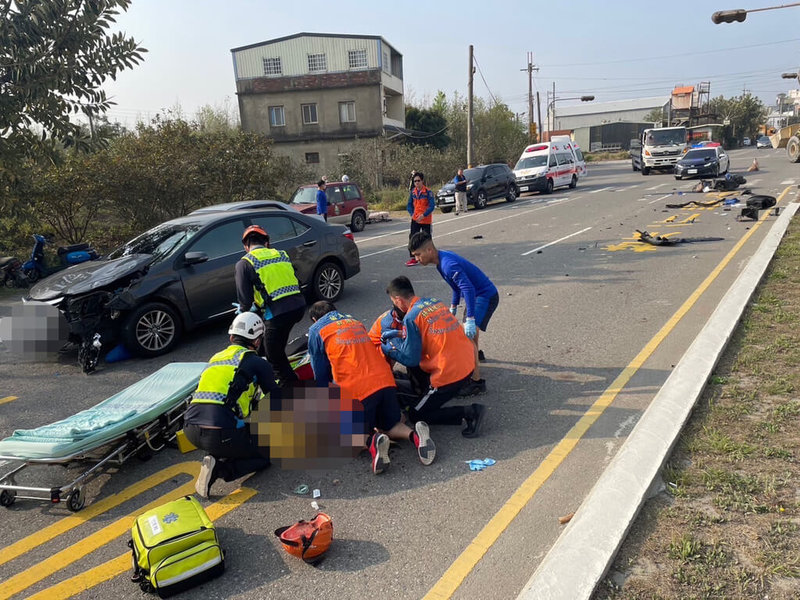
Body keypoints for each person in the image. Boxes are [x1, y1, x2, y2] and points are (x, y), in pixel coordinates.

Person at [308, 300, 435, 474]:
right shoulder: (354, 322)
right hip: (385, 382)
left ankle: (372, 443)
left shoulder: (317, 329)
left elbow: (321, 375)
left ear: (315, 319)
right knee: (390, 424)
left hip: (357, 390)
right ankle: (415, 436)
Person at [184, 313, 279, 498]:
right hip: (219, 432)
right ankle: (220, 469)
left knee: (237, 431)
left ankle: (219, 453)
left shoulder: (216, 358)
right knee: (267, 453)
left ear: (231, 337)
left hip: (190, 430)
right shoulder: (257, 362)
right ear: (258, 341)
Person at [380, 276, 485, 437]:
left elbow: (411, 359)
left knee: (417, 415)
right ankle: (425, 395)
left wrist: (389, 349)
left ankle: (469, 412)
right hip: (468, 362)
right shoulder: (434, 303)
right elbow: (430, 334)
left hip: (449, 375)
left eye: (394, 302)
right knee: (420, 369)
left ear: (399, 300)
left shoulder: (411, 317)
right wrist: (401, 333)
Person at [408, 232, 498, 395]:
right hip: (476, 295)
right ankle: (476, 354)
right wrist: (453, 307)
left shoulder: (447, 264)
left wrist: (470, 318)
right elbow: (456, 286)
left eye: (418, 255)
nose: (416, 259)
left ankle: (476, 381)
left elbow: (468, 288)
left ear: (429, 250)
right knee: (469, 334)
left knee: (467, 336)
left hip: (485, 295)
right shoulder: (439, 261)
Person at [236, 225, 307, 386]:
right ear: (267, 242)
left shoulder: (244, 263)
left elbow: (245, 301)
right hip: (298, 306)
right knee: (271, 344)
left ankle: (291, 389)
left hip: (277, 313)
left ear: (246, 246)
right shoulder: (281, 254)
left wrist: (243, 310)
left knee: (274, 357)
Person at [405, 171, 435, 267]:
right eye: (415, 181)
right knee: (413, 237)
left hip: (425, 219)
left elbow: (432, 206)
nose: (416, 183)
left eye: (418, 181)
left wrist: (424, 214)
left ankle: (431, 256)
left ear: (422, 181)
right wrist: (412, 214)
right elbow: (409, 205)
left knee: (427, 238)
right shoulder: (413, 192)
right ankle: (413, 258)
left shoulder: (428, 192)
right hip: (415, 219)